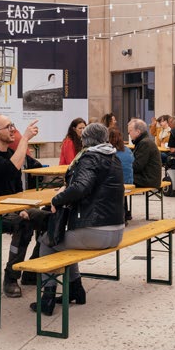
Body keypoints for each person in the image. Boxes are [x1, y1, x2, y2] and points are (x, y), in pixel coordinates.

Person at [32, 123, 124, 315]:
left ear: (86, 140)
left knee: (48, 241)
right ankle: (76, 290)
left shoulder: (90, 158)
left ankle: (47, 298)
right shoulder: (113, 158)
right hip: (117, 230)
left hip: (95, 231)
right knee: (67, 242)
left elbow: (81, 187)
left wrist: (56, 199)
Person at [0, 115, 43, 298]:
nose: (13, 129)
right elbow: (9, 170)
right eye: (8, 126)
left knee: (51, 218)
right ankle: (11, 277)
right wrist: (25, 139)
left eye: (13, 125)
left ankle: (31, 271)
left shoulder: (11, 154)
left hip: (11, 210)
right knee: (23, 223)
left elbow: (17, 189)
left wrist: (23, 208)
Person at [128, 118, 161, 188]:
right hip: (148, 177)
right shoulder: (144, 141)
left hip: (148, 179)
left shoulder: (145, 143)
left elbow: (137, 166)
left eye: (130, 130)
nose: (128, 133)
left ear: (138, 132)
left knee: (120, 176)